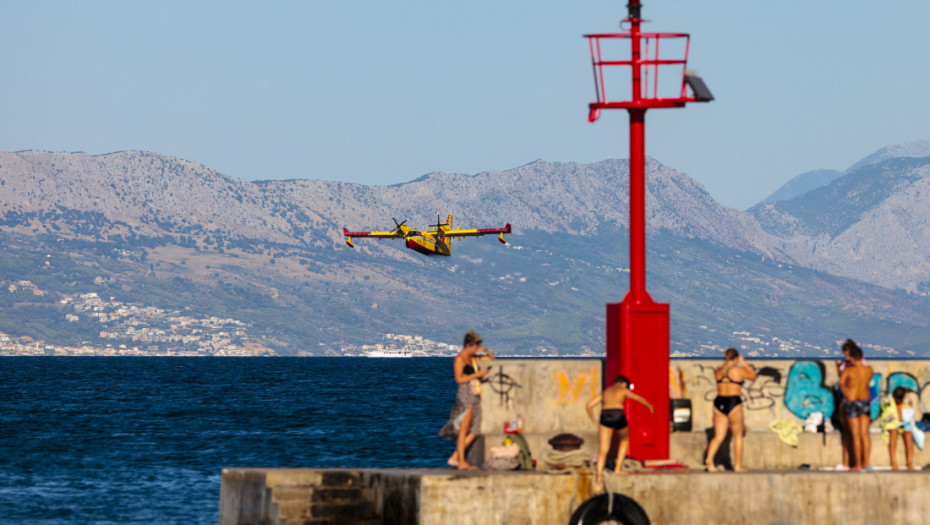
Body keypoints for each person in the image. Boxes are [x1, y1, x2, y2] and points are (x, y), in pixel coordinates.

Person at [586, 376, 654, 491]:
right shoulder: (623, 389)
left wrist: (593, 420)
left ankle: (598, 481)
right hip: (618, 414)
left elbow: (589, 405)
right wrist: (649, 406)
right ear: (623, 384)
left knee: (603, 450)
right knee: (624, 440)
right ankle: (618, 469)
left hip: (605, 415)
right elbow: (637, 398)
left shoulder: (606, 391)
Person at [438, 330, 495, 470]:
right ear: (468, 345)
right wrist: (478, 374)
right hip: (465, 394)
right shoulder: (460, 359)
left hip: (475, 394)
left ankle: (456, 456)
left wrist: (485, 350)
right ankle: (461, 461)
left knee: (476, 428)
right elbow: (459, 379)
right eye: (475, 346)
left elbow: (491, 359)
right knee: (464, 428)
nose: (476, 349)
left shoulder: (473, 358)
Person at [705, 348, 757, 472]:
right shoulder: (738, 370)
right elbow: (753, 376)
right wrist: (744, 363)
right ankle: (738, 465)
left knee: (718, 436)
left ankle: (709, 460)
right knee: (737, 436)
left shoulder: (718, 370)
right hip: (733, 402)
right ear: (736, 358)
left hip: (719, 402)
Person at [839, 339, 874, 472]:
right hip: (865, 401)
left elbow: (841, 384)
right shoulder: (869, 369)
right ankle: (866, 463)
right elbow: (868, 383)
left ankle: (858, 464)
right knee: (865, 435)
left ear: (852, 357)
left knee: (855, 435)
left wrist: (846, 391)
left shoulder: (849, 370)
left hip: (852, 401)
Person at [884, 387, 916, 471]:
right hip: (892, 423)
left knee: (908, 435)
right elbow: (886, 414)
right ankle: (893, 461)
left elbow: (908, 416)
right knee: (893, 434)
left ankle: (909, 462)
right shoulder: (888, 399)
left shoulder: (907, 400)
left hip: (902, 424)